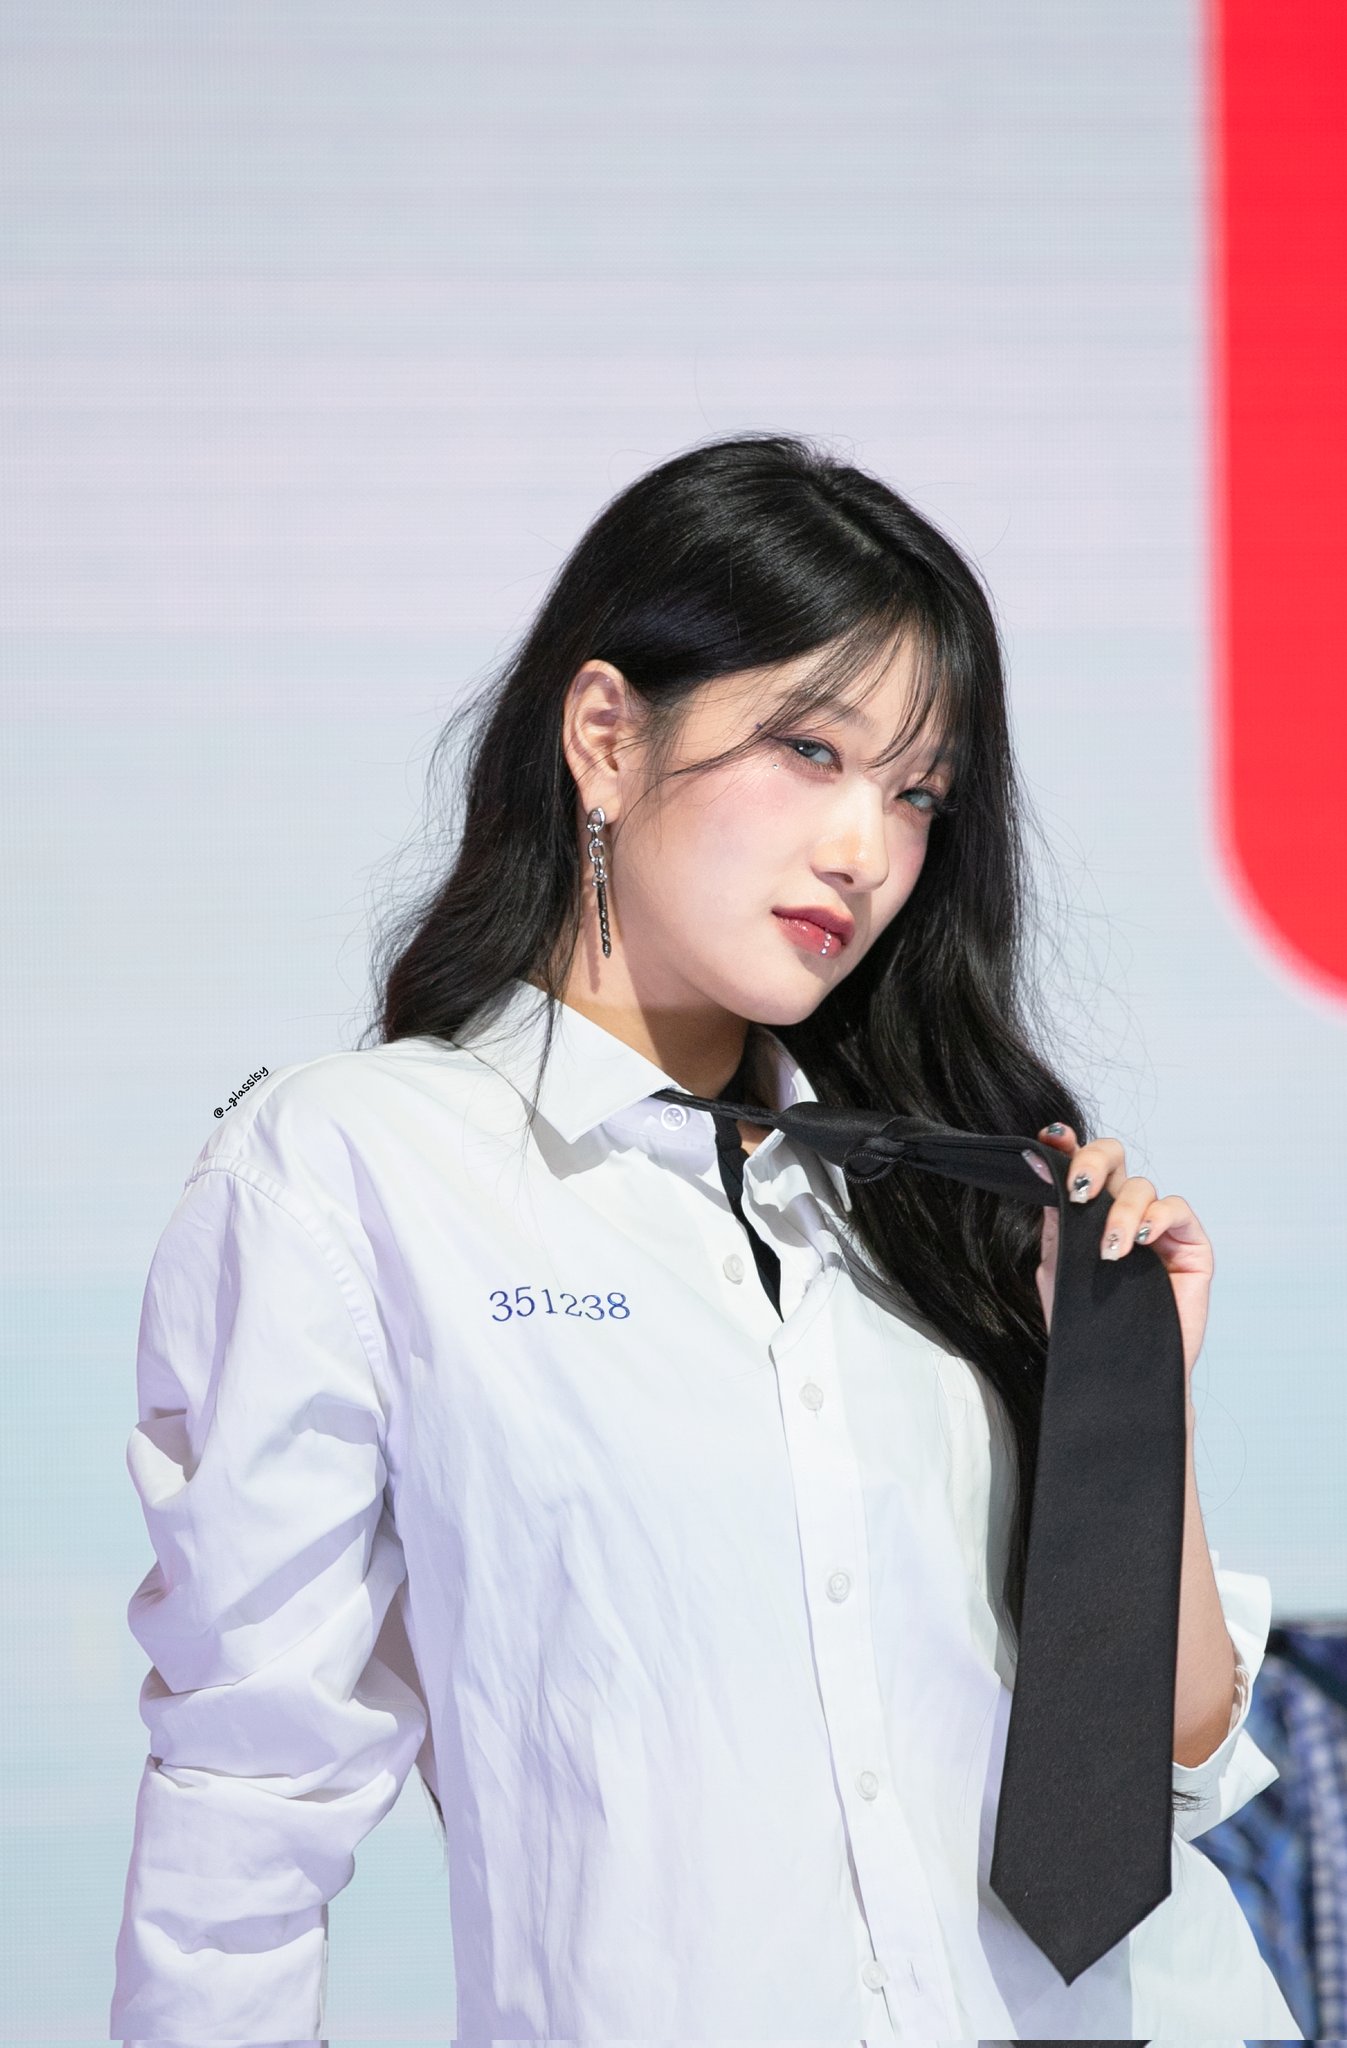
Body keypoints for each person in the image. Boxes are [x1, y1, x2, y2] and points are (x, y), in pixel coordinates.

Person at [110, 433, 1301, 2042]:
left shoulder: (954, 1189)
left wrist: (1125, 1406)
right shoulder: (354, 1170)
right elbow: (250, 1787)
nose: (866, 850)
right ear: (606, 736)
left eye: (918, 794)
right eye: (811, 750)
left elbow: (1171, 1760)